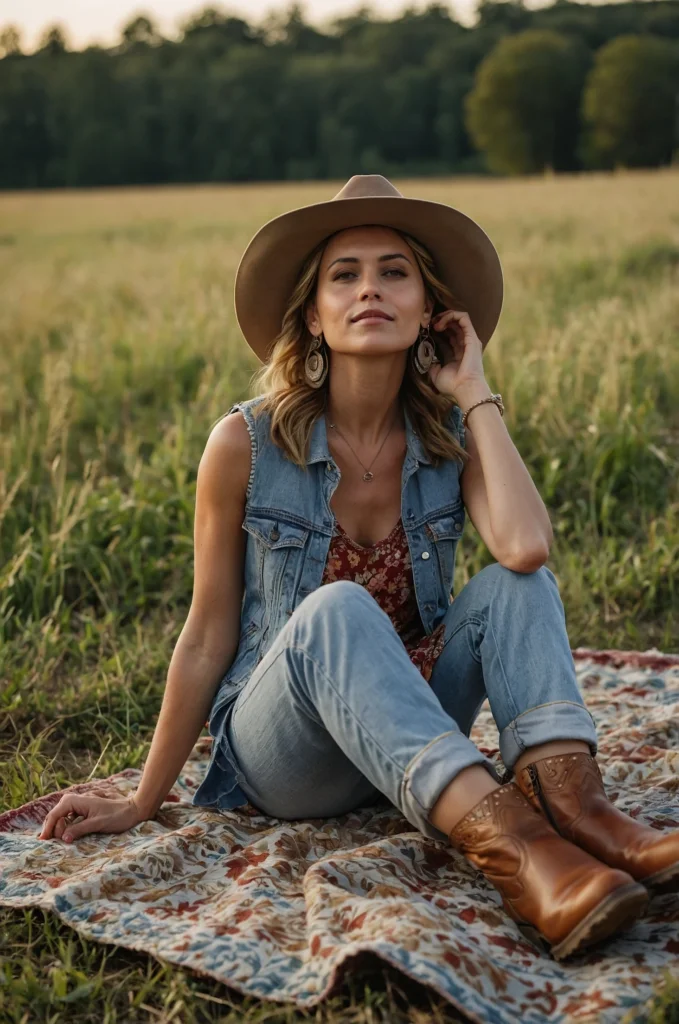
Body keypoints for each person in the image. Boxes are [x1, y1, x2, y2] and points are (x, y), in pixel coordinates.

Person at [39, 175, 679, 962]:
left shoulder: (448, 435)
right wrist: (146, 794)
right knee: (339, 607)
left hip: (408, 729)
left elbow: (523, 550)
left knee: (517, 585)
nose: (368, 289)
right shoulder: (244, 444)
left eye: (393, 272)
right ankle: (529, 860)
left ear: (428, 312)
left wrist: (473, 390)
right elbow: (207, 632)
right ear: (313, 315)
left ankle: (588, 822)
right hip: (286, 754)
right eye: (344, 275)